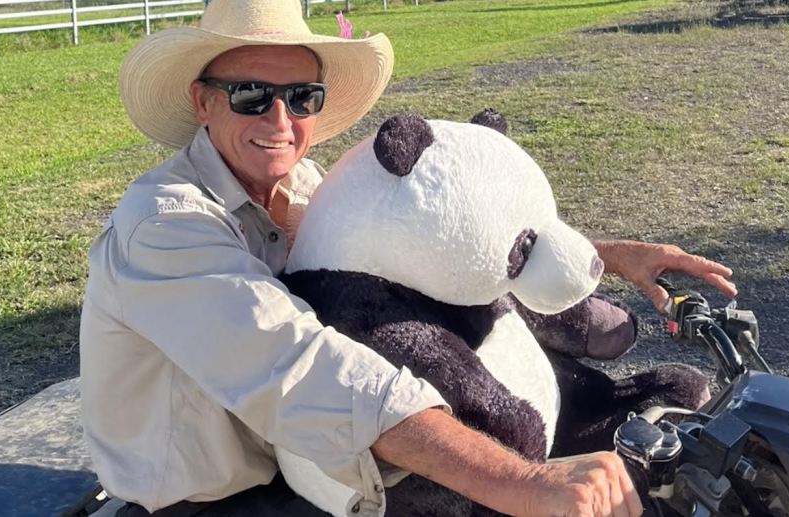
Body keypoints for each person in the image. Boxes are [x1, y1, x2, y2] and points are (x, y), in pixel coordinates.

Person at [79, 1, 737, 516]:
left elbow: (435, 250)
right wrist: (526, 482)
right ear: (203, 101)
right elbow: (304, 370)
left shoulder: (300, 185)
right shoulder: (167, 225)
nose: (282, 117)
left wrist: (613, 255)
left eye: (302, 96)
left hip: (310, 463)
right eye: (253, 94)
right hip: (214, 502)